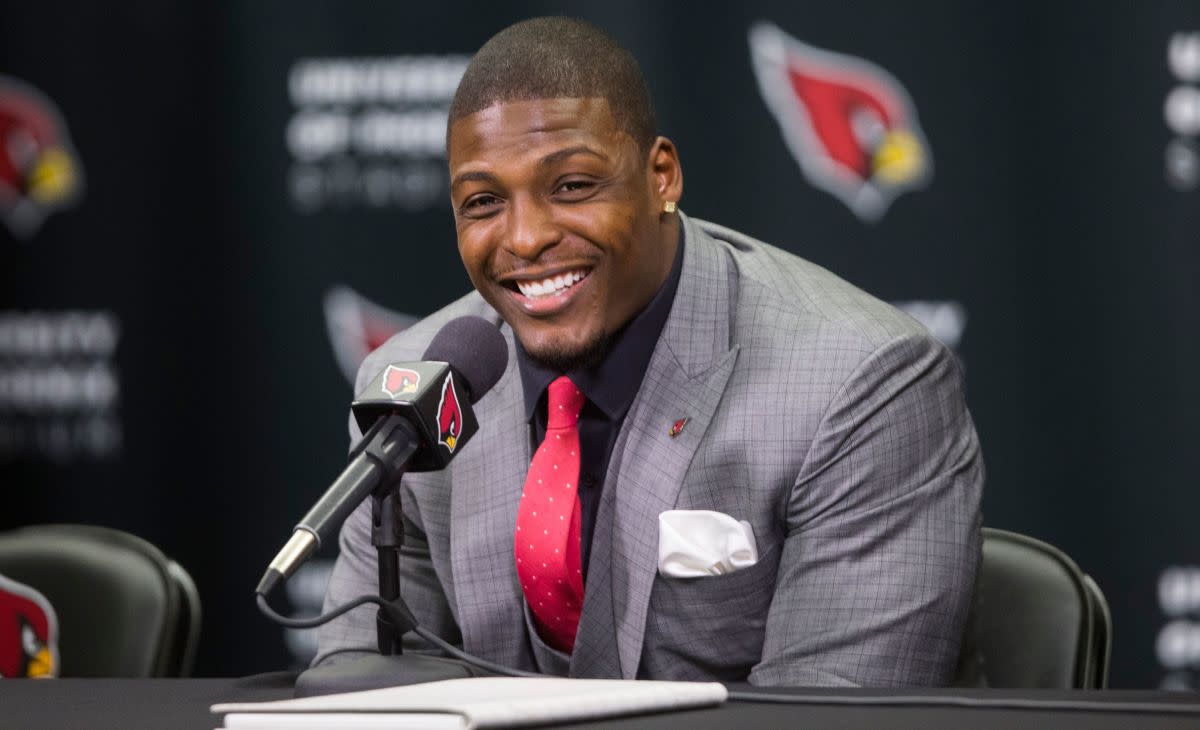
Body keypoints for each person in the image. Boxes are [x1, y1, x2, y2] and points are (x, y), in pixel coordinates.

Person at [315, 16, 983, 686]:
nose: (524, 238)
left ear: (661, 175)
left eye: (571, 186)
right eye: (484, 202)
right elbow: (358, 693)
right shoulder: (414, 391)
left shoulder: (859, 381)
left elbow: (827, 717)